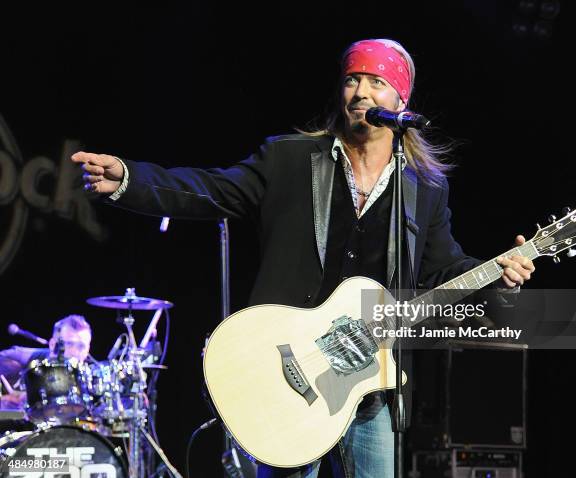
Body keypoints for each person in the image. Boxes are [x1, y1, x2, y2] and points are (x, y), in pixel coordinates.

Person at [72, 38, 534, 478]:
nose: (360, 92)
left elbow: (440, 269)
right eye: (353, 79)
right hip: (289, 372)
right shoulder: (290, 159)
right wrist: (132, 179)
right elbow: (213, 190)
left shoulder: (424, 188)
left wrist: (498, 275)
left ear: (399, 98)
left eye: (376, 82)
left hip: (370, 382)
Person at [0, 315, 92, 410]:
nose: (75, 351)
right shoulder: (25, 357)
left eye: (81, 346)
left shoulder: (90, 376)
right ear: (52, 344)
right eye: (69, 344)